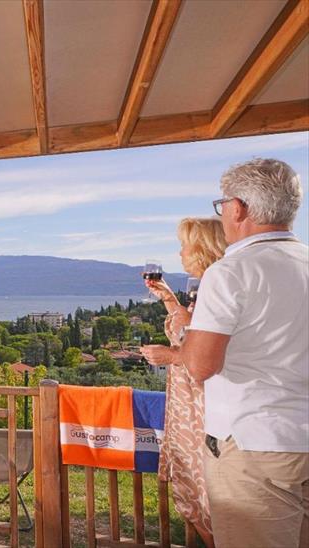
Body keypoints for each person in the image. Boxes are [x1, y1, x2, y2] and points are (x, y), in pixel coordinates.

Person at [177, 158, 308, 548]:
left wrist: (186, 336)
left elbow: (200, 366)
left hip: (255, 444)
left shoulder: (231, 272)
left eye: (222, 205)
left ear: (238, 208)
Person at [141, 217, 226, 547]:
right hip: (187, 405)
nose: (180, 253)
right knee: (195, 496)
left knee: (208, 497)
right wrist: (167, 298)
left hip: (202, 408)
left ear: (202, 249)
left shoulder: (218, 291)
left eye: (184, 246)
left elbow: (204, 351)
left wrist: (170, 356)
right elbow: (188, 331)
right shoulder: (203, 290)